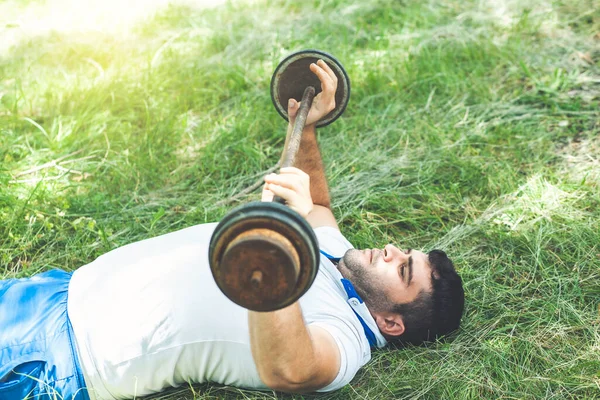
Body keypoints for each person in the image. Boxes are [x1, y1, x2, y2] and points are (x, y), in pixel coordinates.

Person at [0, 60, 465, 400]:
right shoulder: (338, 259)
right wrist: (307, 124)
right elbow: (318, 204)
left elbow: (290, 369)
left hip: (58, 360)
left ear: (390, 321)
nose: (389, 249)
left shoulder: (343, 342)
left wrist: (272, 258)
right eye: (404, 251)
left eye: (403, 270)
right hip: (53, 292)